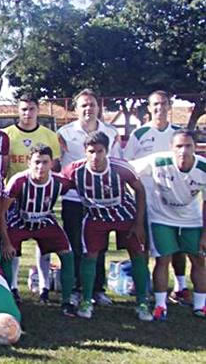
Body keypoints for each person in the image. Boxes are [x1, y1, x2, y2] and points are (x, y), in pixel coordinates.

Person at [60, 132, 152, 321]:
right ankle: (87, 300)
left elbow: (140, 190)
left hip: (125, 215)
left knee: (138, 254)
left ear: (107, 151)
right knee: (89, 255)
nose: (95, 156)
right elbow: (58, 185)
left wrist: (139, 223)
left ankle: (142, 302)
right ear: (85, 151)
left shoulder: (121, 168)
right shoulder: (74, 170)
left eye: (100, 151)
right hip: (96, 217)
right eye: (91, 151)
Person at [130, 130, 206, 320]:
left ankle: (200, 305)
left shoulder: (203, 168)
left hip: (191, 220)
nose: (183, 151)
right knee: (162, 259)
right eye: (179, 146)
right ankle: (160, 306)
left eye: (188, 146)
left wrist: (205, 234)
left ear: (195, 148)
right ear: (171, 147)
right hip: (161, 218)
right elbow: (128, 170)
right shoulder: (158, 161)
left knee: (198, 259)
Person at [124, 90, 190, 306]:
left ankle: (180, 287)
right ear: (149, 108)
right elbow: (127, 165)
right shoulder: (139, 134)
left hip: (173, 200)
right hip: (145, 199)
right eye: (155, 104)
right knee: (141, 243)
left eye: (163, 104)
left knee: (176, 245)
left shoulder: (178, 134)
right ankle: (142, 285)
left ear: (169, 106)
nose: (159, 108)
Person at [57, 89, 121, 307]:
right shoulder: (64, 133)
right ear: (75, 109)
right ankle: (75, 288)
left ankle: (97, 289)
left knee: (98, 246)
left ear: (98, 107)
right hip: (74, 198)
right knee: (74, 243)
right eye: (83, 105)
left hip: (101, 200)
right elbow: (59, 165)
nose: (88, 109)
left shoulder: (110, 132)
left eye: (92, 104)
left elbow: (117, 163)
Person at [0, 144, 77, 316]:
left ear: (52, 164)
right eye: (36, 162)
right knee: (6, 254)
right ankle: (8, 295)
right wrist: (5, 241)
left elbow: (81, 187)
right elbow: (1, 212)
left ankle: (66, 301)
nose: (40, 167)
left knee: (67, 254)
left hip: (45, 220)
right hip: (19, 219)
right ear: (29, 163)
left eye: (45, 162)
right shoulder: (18, 181)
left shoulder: (60, 182)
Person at [3, 98, 61, 303]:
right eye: (24, 109)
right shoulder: (7, 134)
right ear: (18, 111)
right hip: (14, 198)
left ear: (38, 110)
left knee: (44, 243)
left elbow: (55, 166)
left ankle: (44, 287)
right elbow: (4, 166)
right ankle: (13, 287)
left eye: (31, 109)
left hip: (41, 198)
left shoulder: (49, 135)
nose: (28, 113)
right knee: (14, 245)